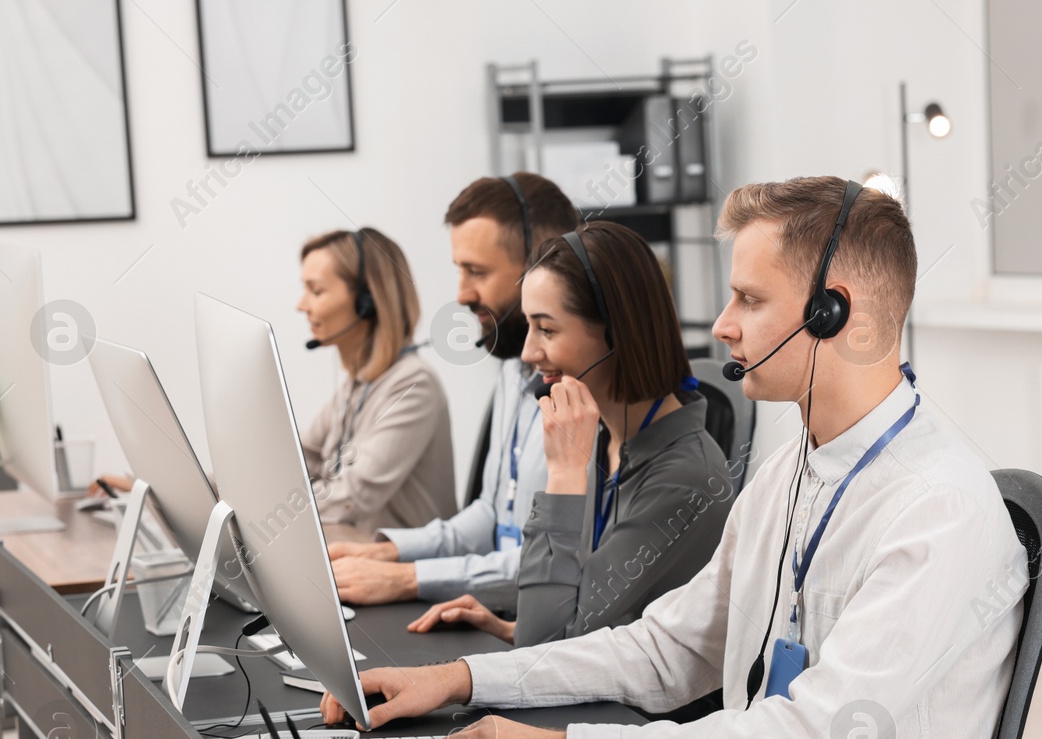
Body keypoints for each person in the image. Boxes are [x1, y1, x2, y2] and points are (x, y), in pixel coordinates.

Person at [324, 177, 1028, 739]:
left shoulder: (938, 508)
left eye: (749, 298)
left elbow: (811, 738)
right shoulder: (790, 471)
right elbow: (669, 649)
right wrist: (465, 678)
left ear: (831, 312)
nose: (723, 325)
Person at [405, 221, 734, 647]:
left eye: (547, 329)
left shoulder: (683, 479)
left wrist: (563, 476)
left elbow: (544, 647)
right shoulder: (607, 436)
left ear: (617, 334)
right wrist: (506, 628)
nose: (528, 352)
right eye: (528, 327)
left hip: (637, 713)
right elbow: (575, 621)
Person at [328, 174, 577, 610]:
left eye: (476, 272)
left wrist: (407, 579)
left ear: (542, 267)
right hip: (495, 607)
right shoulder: (513, 371)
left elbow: (557, 562)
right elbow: (492, 516)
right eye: (459, 270)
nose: (461, 293)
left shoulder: (590, 399)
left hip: (535, 621)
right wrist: (388, 552)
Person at [297, 226, 455, 534]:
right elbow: (302, 456)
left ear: (367, 301)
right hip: (355, 556)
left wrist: (270, 513)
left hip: (406, 574)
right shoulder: (356, 387)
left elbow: (351, 498)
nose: (301, 305)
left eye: (315, 291)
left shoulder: (413, 385)